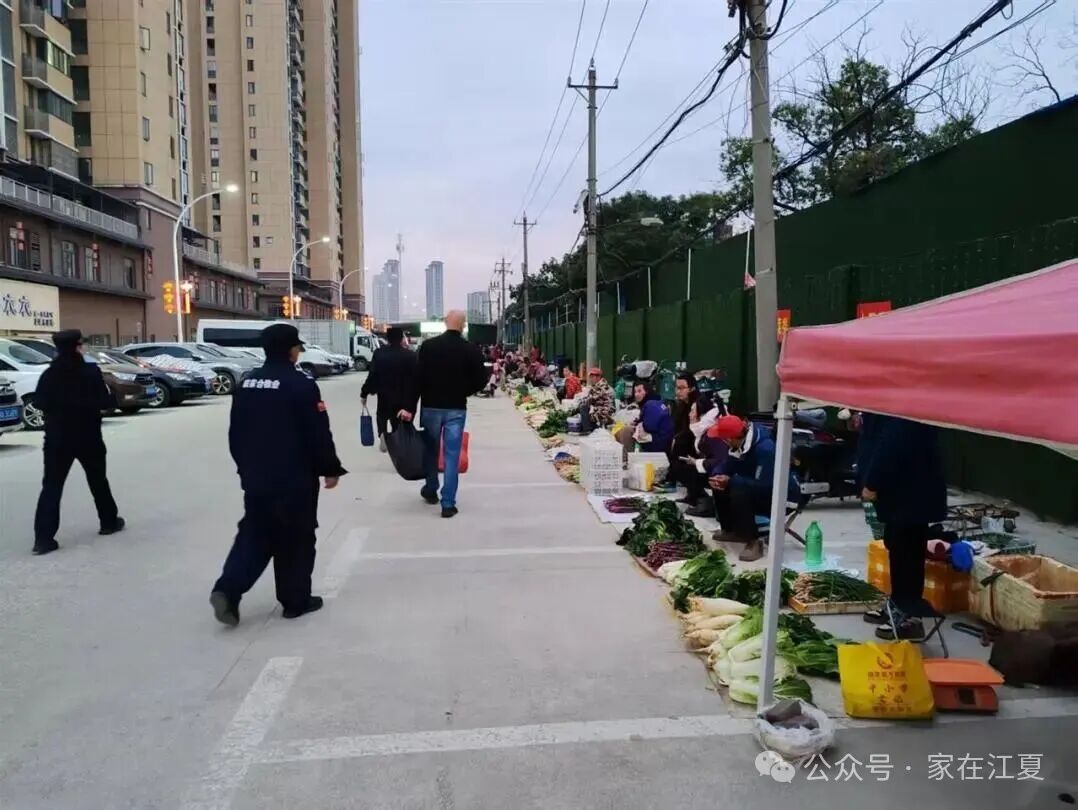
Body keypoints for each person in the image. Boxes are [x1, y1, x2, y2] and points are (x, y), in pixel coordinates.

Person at [209, 324, 347, 626]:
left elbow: (236, 433)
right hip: (294, 479)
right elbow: (317, 433)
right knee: (296, 537)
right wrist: (330, 468)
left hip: (257, 478)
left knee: (255, 535)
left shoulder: (247, 384)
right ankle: (295, 601)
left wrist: (245, 468)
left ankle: (228, 590)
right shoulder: (301, 385)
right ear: (291, 350)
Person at [31, 329, 124, 556]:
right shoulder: (91, 372)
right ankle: (108, 522)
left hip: (57, 439)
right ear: (77, 347)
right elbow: (105, 402)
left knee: (52, 486)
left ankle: (43, 539)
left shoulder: (49, 375)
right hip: (88, 436)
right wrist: (111, 392)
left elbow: (39, 402)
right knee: (98, 479)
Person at [860, 415, 947, 640]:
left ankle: (909, 615)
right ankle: (898, 603)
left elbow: (893, 442)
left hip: (908, 491)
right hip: (904, 490)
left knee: (907, 552)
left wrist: (872, 482)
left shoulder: (901, 412)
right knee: (899, 547)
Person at [399, 310, 488, 518]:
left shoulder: (428, 347)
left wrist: (409, 407)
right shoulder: (471, 349)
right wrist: (464, 391)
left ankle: (431, 489)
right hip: (456, 408)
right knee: (451, 455)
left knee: (430, 451)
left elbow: (417, 379)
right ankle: (448, 503)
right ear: (463, 325)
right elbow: (481, 379)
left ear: (445, 323)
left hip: (431, 406)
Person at [707, 414, 799, 562]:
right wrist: (717, 475)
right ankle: (732, 530)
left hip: (782, 497)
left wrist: (731, 481)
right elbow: (727, 464)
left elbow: (766, 485)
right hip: (757, 487)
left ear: (730, 439)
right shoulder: (739, 444)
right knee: (721, 484)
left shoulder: (765, 448)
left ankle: (753, 541)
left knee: (738, 485)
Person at [361, 327, 418, 452]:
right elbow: (415, 380)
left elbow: (372, 375)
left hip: (384, 395)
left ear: (387, 339)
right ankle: (397, 442)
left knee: (382, 415)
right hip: (403, 397)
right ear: (401, 338)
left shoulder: (379, 353)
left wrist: (364, 393)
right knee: (398, 422)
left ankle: (382, 433)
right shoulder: (411, 355)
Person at [668, 394, 725, 514]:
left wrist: (697, 462)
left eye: (693, 411)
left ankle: (704, 502)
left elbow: (720, 460)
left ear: (701, 413)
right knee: (679, 465)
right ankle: (695, 497)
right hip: (710, 467)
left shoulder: (712, 433)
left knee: (686, 469)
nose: (690, 414)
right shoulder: (701, 430)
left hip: (719, 472)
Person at [616, 381, 674, 459]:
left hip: (658, 445)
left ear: (647, 391)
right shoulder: (656, 403)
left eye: (639, 391)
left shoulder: (651, 405)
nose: (636, 394)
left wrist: (638, 426)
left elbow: (648, 426)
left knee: (626, 431)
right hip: (662, 442)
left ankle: (628, 460)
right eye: (635, 392)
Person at [581, 367, 614, 432]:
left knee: (583, 407)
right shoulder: (604, 385)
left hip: (604, 414)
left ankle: (588, 430)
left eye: (592, 377)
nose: (590, 379)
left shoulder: (600, 387)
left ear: (597, 377)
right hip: (608, 412)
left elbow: (589, 400)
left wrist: (583, 400)